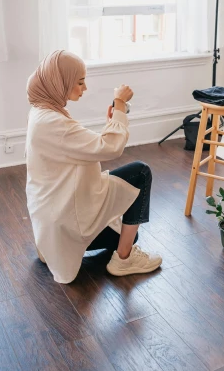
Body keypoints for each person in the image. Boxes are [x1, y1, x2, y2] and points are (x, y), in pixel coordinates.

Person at [25, 49, 162, 284]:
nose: (84, 88)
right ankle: (124, 259)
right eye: (79, 82)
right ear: (61, 82)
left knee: (131, 233)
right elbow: (110, 147)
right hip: (67, 215)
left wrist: (113, 121)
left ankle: (55, 249)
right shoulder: (55, 122)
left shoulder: (41, 112)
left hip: (52, 221)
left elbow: (79, 146)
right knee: (141, 172)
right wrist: (120, 105)